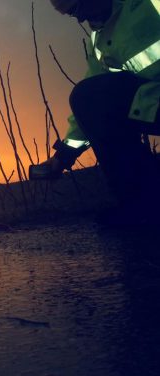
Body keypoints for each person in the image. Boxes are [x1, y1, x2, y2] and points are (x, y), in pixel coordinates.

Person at [30, 0, 160, 224]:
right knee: (86, 96)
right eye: (72, 14)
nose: (80, 19)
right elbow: (92, 103)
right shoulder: (101, 41)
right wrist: (63, 157)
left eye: (79, 8)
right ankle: (143, 204)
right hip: (153, 104)